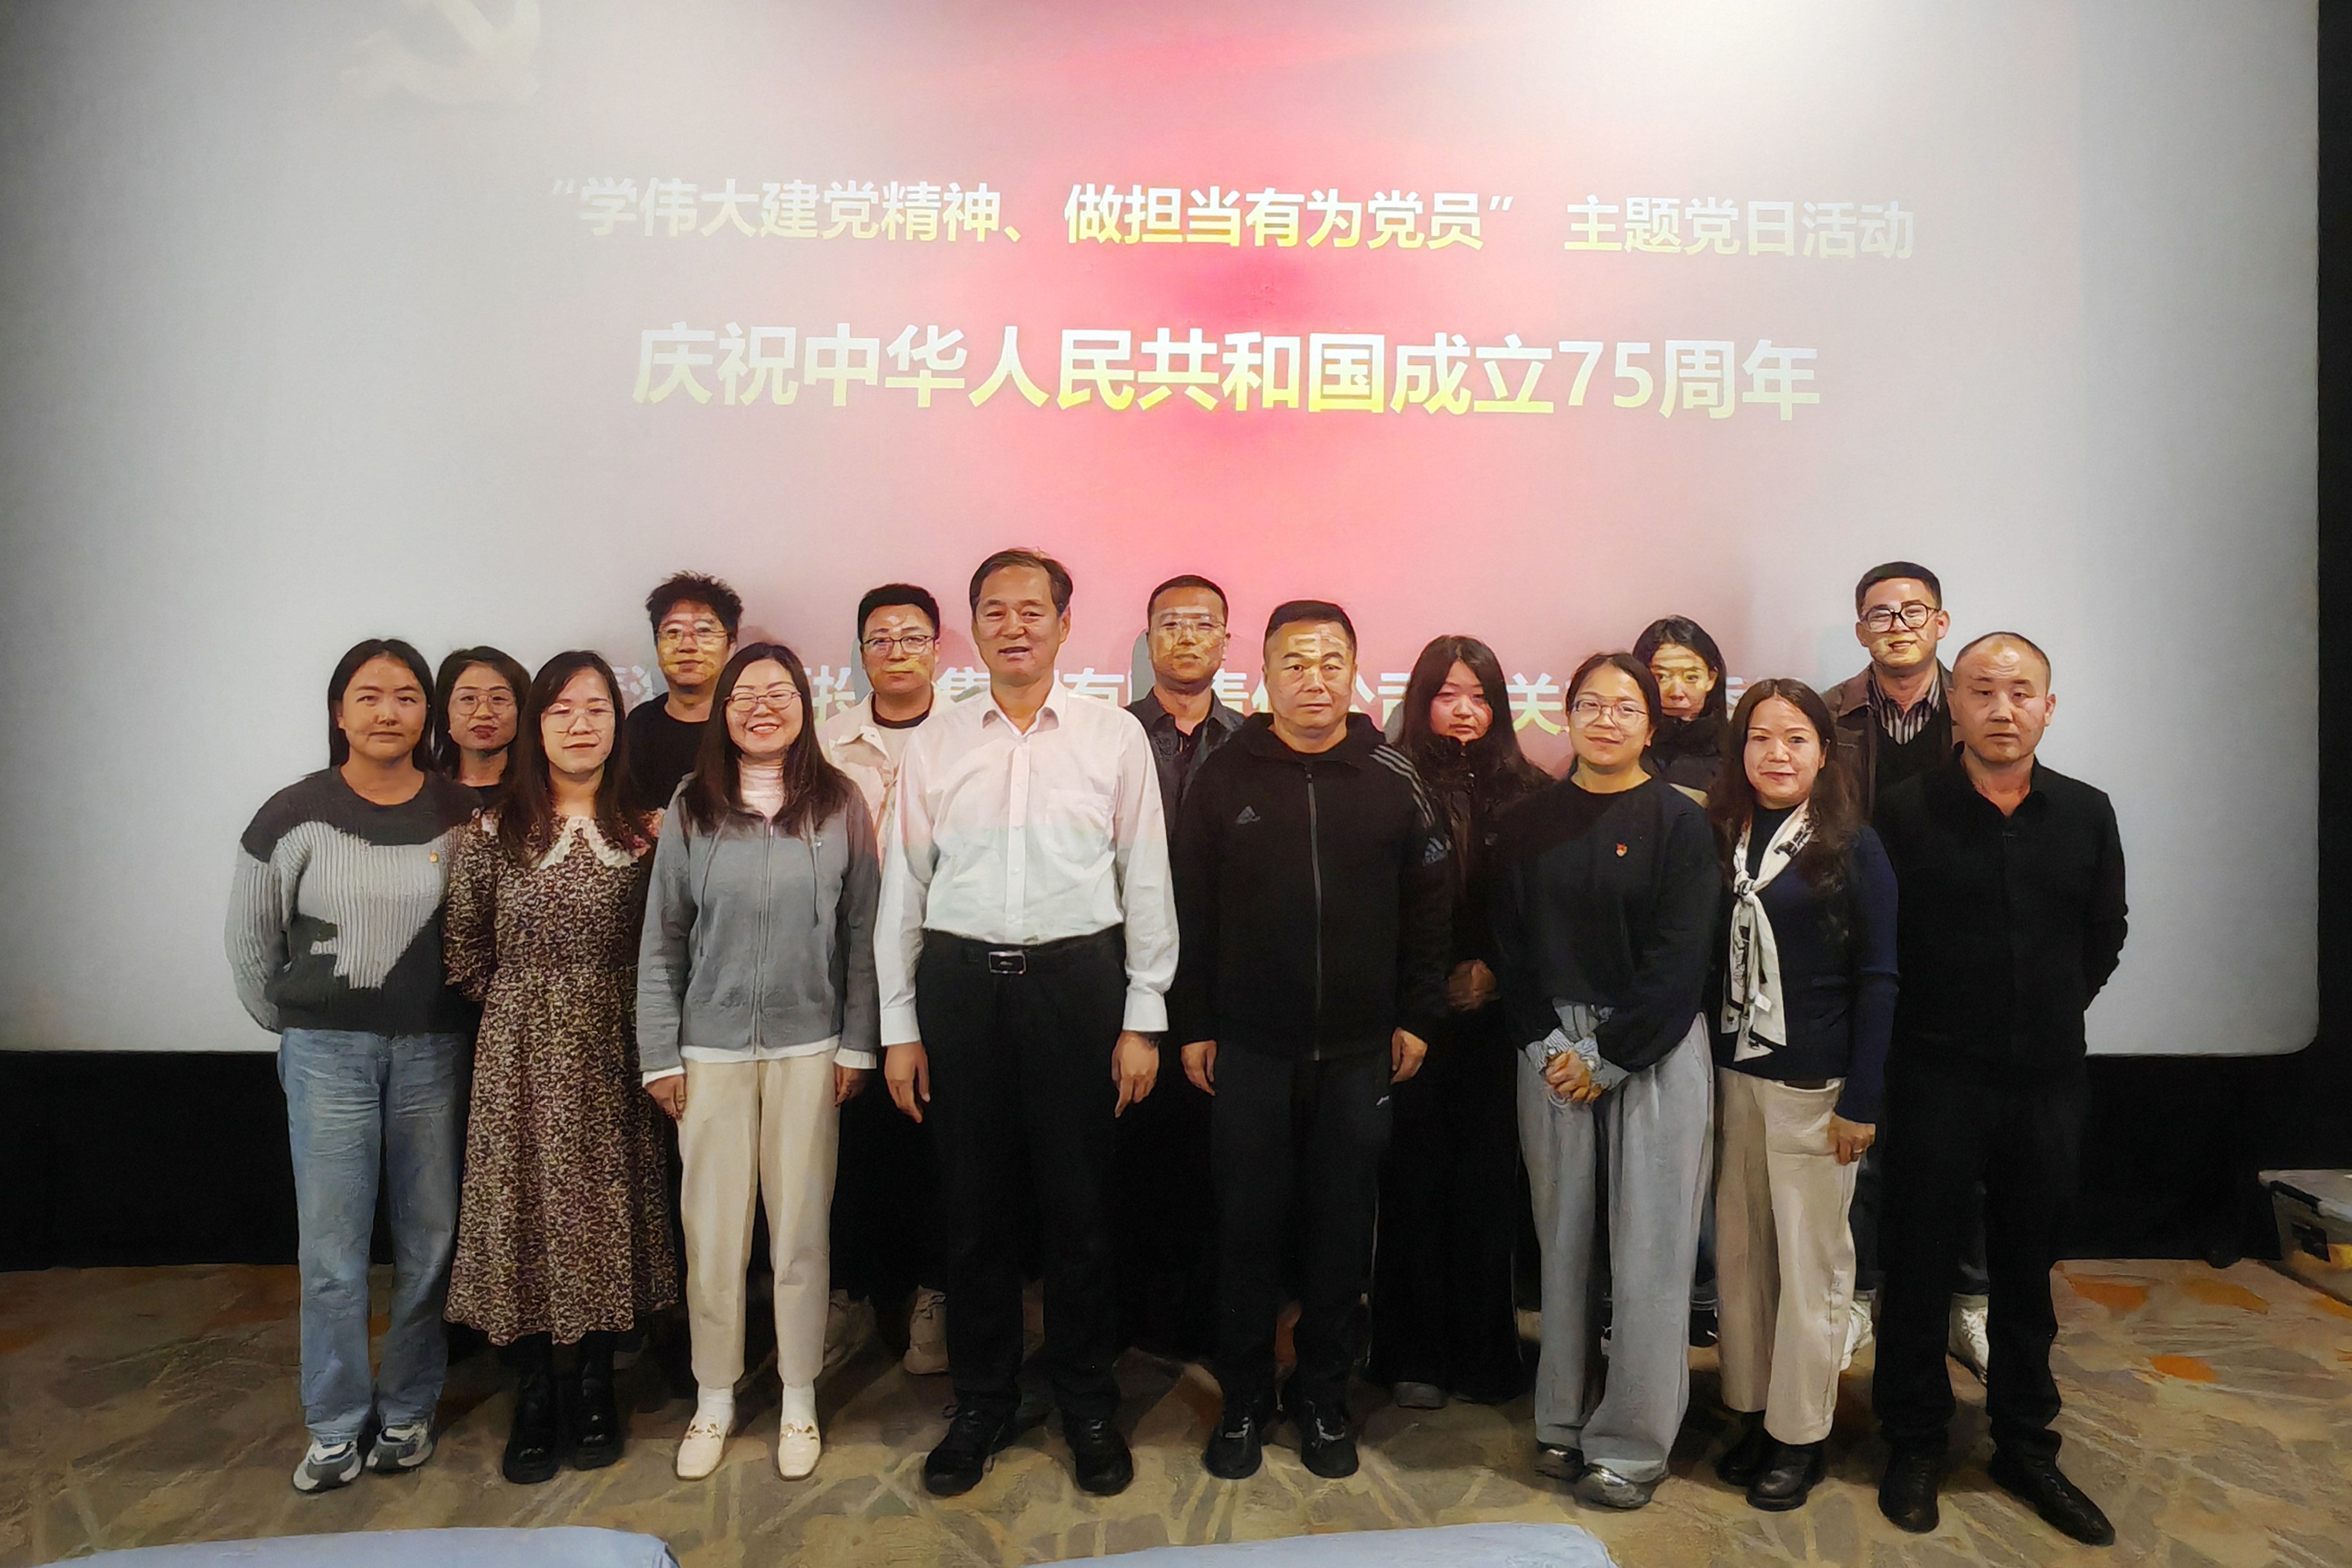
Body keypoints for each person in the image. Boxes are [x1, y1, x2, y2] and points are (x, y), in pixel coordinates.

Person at [876, 548, 1177, 1499]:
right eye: (995, 611)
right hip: (961, 988)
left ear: (1063, 624)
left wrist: (1143, 1016)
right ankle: (983, 1400)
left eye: (1032, 610)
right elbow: (904, 889)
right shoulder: (936, 742)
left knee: (1081, 1210)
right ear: (973, 629)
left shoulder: (1111, 737)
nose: (1014, 626)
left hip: (1078, 985)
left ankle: (1087, 1400)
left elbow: (1145, 878)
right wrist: (899, 1024)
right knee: (974, 1212)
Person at [1173, 602, 1452, 1481]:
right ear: (1264, 674)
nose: (1315, 679)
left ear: (1356, 673)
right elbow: (1190, 910)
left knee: (1341, 1233)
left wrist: (1418, 1015)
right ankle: (1244, 1400)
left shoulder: (1394, 775)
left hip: (1361, 1052)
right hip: (1250, 1050)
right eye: (1295, 662)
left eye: (1332, 661)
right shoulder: (1224, 775)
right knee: (1245, 1231)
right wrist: (1196, 1023)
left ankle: (1325, 1399)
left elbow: (1431, 908)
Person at [1872, 634, 2127, 1547]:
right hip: (1934, 1076)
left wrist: (2044, 1013)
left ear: (2048, 707)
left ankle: (2026, 1442)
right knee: (1917, 1266)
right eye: (1983, 690)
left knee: (2027, 1267)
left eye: (2022, 692)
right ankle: (1913, 1440)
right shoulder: (1903, 812)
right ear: (1956, 704)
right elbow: (1879, 941)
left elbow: (2105, 933)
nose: (2003, 707)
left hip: (2047, 1083)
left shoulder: (2086, 812)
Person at [227, 639, 478, 1494]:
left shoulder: (461, 811)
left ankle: (408, 1408)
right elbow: (250, 942)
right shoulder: (292, 813)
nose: (387, 712)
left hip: (436, 1052)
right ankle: (334, 1423)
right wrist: (303, 1027)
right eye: (368, 696)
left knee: (430, 1240)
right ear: (339, 711)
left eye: (406, 696)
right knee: (332, 1250)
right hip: (327, 1058)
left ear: (427, 714)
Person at [639, 644, 880, 1483]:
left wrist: (858, 1041)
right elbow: (663, 936)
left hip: (811, 1047)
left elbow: (862, 933)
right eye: (745, 693)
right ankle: (715, 1395)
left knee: (802, 1231)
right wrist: (660, 1055)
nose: (762, 705)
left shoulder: (841, 801)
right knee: (712, 1234)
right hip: (708, 1051)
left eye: (780, 691)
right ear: (724, 711)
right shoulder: (693, 803)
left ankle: (799, 1392)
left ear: (806, 706)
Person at [442, 652, 677, 1485]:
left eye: (597, 709)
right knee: (527, 1212)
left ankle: (596, 1385)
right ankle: (537, 1391)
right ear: (536, 725)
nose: (581, 725)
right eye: (562, 710)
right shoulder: (487, 832)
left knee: (607, 1209)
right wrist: (529, 1008)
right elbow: (465, 951)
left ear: (619, 723)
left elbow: (670, 943)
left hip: (622, 1045)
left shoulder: (650, 831)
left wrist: (606, 1007)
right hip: (520, 1052)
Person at [1491, 652, 1719, 1510]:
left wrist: (1607, 1055)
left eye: (1626, 707)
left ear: (1651, 724)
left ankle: (1631, 1441)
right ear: (1567, 714)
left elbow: (1680, 958)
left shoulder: (1681, 822)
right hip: (1551, 1049)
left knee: (1651, 1250)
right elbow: (1511, 945)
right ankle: (1563, 1414)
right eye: (1590, 704)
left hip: (1651, 1050)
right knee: (1564, 1242)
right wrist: (1547, 1042)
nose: (1607, 719)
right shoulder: (1527, 822)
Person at [1704, 680, 1897, 1512]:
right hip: (1732, 1079)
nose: (1776, 754)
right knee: (1743, 1260)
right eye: (1760, 737)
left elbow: (1881, 977)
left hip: (1815, 1087)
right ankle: (1752, 1412)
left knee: (1812, 1265)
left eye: (1795, 739)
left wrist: (1864, 1098)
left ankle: (1801, 1433)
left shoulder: (1854, 845)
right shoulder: (1723, 835)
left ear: (1823, 752)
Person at [1367, 636, 1548, 1411]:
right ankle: (1410, 1353)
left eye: (1479, 696)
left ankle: (1485, 1352)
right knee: (1410, 1183)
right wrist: (1423, 982)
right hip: (1410, 1019)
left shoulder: (1534, 792)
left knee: (1489, 1188)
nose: (1465, 710)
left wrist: (1496, 971)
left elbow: (1549, 913)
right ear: (1421, 701)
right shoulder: (1386, 782)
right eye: (1447, 695)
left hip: (1499, 1024)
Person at [1829, 561, 1988, 1378]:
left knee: (1967, 1138)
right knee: (1860, 1133)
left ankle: (1970, 1300)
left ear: (1941, 622)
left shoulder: (1977, 703)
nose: (1897, 625)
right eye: (1880, 614)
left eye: (1913, 611)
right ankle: (1858, 1293)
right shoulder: (1828, 715)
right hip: (1857, 947)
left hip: (1957, 946)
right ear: (1862, 629)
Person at [820, 583, 951, 1378]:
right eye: (880, 639)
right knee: (854, 1138)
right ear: (862, 652)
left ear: (939, 648)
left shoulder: (969, 736)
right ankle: (854, 1292)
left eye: (912, 637)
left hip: (945, 963)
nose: (897, 651)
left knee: (939, 1133)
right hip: (846, 968)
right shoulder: (827, 743)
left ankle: (937, 1288)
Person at [1119, 572, 1247, 1361]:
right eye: (1171, 623)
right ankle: (1135, 1318)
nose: (1187, 636)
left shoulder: (1256, 741)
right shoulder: (1111, 735)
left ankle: (1208, 1318)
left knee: (1216, 1156)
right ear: (1149, 639)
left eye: (1203, 623)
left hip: (1222, 977)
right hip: (1125, 976)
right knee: (1131, 1152)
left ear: (1227, 641)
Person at [624, 572, 743, 813]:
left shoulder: (745, 722)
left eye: (704, 632)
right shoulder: (639, 725)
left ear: (731, 646)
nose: (687, 645)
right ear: (657, 646)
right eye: (673, 633)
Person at [1635, 616, 1731, 799]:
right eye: (1661, 677)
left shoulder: (1735, 749)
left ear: (1711, 678)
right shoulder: (1625, 747)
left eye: (1691, 678)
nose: (1677, 692)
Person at [430, 646, 530, 806]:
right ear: (445, 711)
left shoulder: (542, 795)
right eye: (469, 699)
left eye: (498, 699)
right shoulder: (424, 795)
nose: (484, 713)